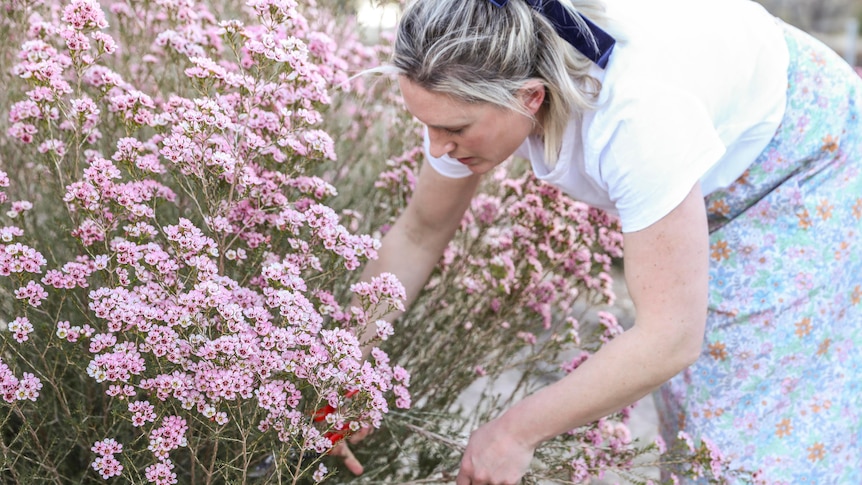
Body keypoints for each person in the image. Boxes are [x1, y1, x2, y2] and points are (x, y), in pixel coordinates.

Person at [337, 0, 862, 483]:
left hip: (805, 156)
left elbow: (671, 337)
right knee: (697, 426)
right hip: (705, 138)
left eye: (453, 129)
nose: (437, 147)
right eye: (424, 124)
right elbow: (419, 232)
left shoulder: (636, 116)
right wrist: (343, 364)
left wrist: (516, 431)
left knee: (743, 440)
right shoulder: (462, 89)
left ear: (530, 98)